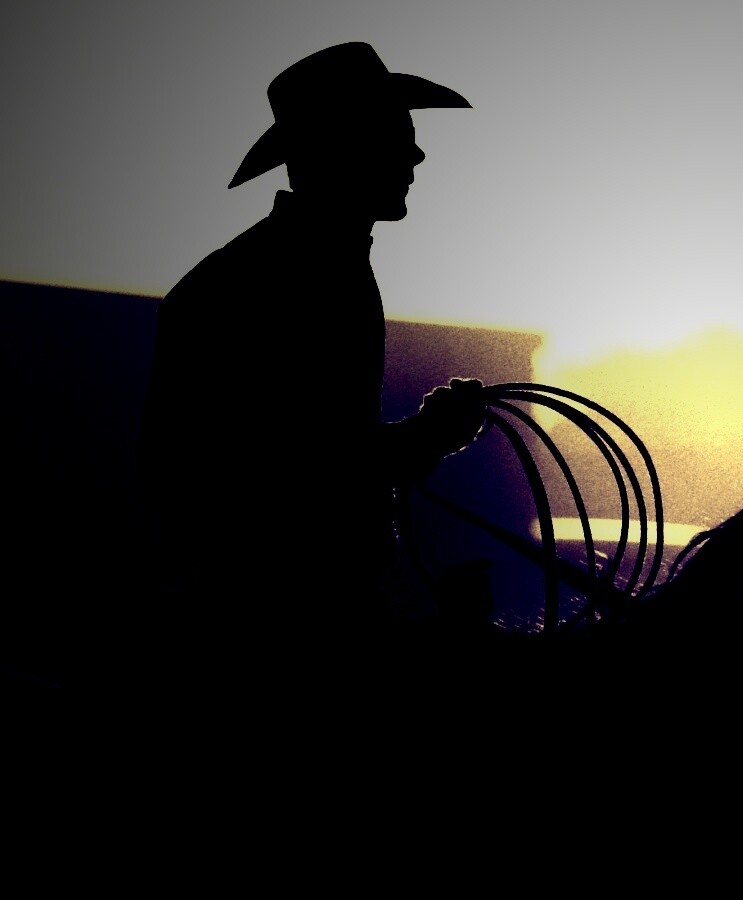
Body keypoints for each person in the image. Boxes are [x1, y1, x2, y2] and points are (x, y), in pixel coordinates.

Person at [133, 43, 488, 877]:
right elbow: (289, 475)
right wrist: (422, 439)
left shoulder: (292, 269)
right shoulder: (285, 280)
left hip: (281, 622)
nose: (415, 155)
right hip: (281, 645)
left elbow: (306, 455)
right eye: (396, 136)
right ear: (343, 147)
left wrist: (415, 441)